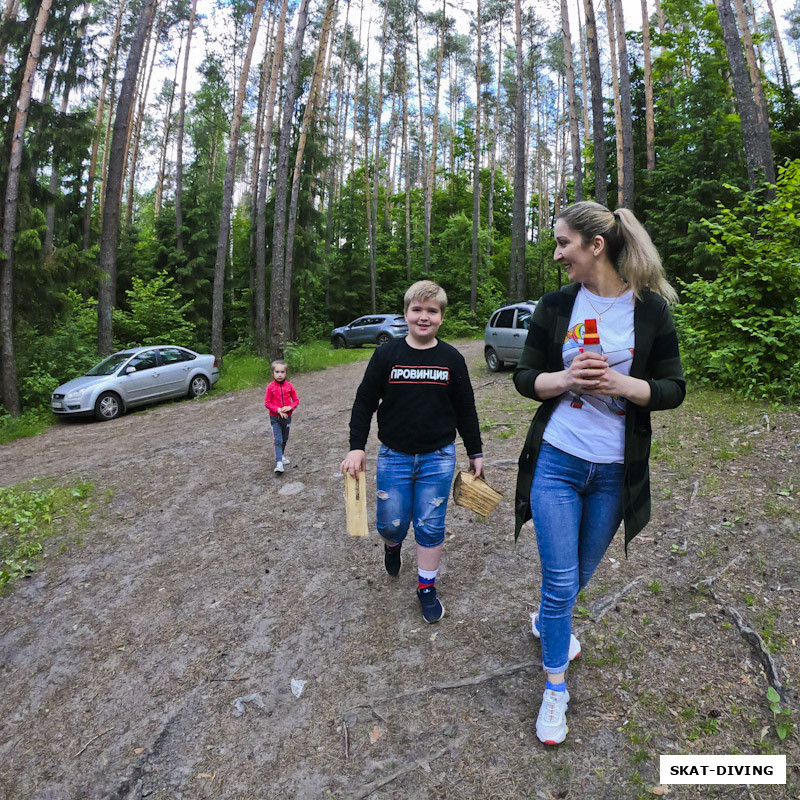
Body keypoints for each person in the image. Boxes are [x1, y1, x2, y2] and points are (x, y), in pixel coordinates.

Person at [513, 201, 685, 745]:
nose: (557, 253)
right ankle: (555, 690)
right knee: (561, 581)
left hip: (615, 470)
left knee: (577, 579)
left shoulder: (651, 310)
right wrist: (565, 379)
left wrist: (622, 385)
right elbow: (524, 377)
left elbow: (673, 388)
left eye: (564, 243)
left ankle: (549, 620)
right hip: (558, 458)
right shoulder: (556, 305)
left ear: (596, 246)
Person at [341, 280, 484, 623]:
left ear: (441, 317)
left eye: (431, 311)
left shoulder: (451, 358)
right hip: (395, 456)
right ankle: (392, 546)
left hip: (439, 456)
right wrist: (356, 447)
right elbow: (364, 402)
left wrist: (475, 452)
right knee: (391, 523)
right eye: (417, 310)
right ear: (405, 314)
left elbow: (466, 408)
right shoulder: (387, 355)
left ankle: (426, 586)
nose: (424, 317)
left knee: (430, 524)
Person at [264, 360, 299, 474]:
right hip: (275, 418)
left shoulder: (289, 386)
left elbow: (296, 400)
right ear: (272, 373)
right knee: (278, 439)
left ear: (286, 373)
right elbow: (267, 403)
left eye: (282, 372)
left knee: (284, 438)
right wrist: (278, 410)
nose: (279, 374)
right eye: (277, 372)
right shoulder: (270, 387)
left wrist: (290, 407)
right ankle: (279, 463)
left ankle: (281, 456)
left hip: (287, 418)